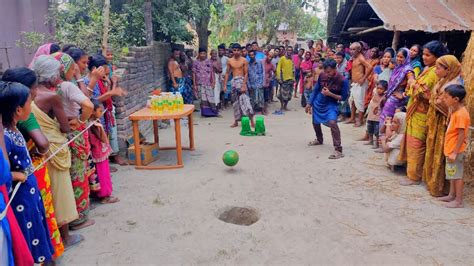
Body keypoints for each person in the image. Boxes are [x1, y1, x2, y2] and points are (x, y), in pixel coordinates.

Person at [2, 67, 65, 259]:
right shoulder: (5, 136)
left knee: (38, 226)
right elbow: (4, 169)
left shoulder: (13, 129)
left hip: (30, 192)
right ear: (19, 109)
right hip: (20, 197)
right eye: (30, 101)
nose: (33, 102)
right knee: (30, 232)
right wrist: (15, 175)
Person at [30, 55, 84, 249]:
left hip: (38, 150)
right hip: (55, 148)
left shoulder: (30, 94)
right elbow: (65, 127)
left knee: (48, 194)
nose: (59, 78)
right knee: (61, 193)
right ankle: (65, 237)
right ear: (51, 76)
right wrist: (72, 121)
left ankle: (53, 237)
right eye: (57, 74)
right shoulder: (52, 96)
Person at [53, 52, 95, 231]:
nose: (76, 69)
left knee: (69, 174)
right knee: (78, 172)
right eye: (73, 66)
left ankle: (71, 212)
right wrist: (82, 120)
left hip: (59, 131)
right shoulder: (67, 87)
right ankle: (79, 217)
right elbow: (88, 105)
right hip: (74, 131)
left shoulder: (50, 88)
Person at [399, 40, 447, 186]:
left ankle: (414, 176)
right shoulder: (428, 69)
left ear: (437, 56)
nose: (424, 57)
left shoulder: (434, 72)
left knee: (417, 144)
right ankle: (411, 171)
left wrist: (412, 80)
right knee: (412, 141)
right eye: (424, 54)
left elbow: (422, 91)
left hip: (422, 113)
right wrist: (412, 83)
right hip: (415, 111)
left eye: (428, 55)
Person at [423, 55, 463, 197]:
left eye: (439, 68)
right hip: (436, 123)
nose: (436, 71)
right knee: (433, 151)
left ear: (448, 69)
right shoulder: (442, 81)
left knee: (441, 155)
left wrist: (434, 99)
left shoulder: (454, 86)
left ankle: (441, 187)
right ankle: (432, 182)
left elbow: (448, 107)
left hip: (444, 126)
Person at [84, 54, 128, 168]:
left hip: (102, 114)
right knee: (97, 141)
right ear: (95, 69)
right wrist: (111, 93)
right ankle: (102, 166)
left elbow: (104, 95)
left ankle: (105, 163)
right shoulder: (87, 82)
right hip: (95, 117)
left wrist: (109, 84)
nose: (106, 71)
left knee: (104, 138)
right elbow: (92, 101)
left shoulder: (100, 80)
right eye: (103, 68)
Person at [305, 59, 349, 159]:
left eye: (329, 72)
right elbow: (316, 90)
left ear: (335, 69)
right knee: (315, 122)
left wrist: (330, 94)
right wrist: (309, 103)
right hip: (318, 102)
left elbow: (344, 98)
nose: (327, 74)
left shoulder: (343, 80)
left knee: (333, 122)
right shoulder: (322, 75)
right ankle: (319, 139)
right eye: (325, 72)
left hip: (331, 104)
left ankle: (338, 149)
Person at [437, 85, 470, 208]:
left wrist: (455, 152)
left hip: (456, 150)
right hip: (451, 149)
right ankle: (451, 195)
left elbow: (461, 135)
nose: (444, 100)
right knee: (452, 173)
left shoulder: (461, 114)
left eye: (446, 97)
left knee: (457, 175)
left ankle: (458, 200)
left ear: (455, 99)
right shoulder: (456, 111)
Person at [89, 100, 119, 204]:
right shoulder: (94, 125)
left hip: (98, 152)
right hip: (98, 152)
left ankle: (98, 193)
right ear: (92, 111)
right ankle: (105, 195)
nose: (101, 113)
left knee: (98, 173)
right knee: (102, 173)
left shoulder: (92, 122)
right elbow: (103, 139)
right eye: (100, 111)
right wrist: (101, 128)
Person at [379, 48, 414, 134]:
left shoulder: (408, 70)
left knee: (388, 117)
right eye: (397, 56)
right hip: (391, 95)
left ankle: (385, 138)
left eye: (401, 57)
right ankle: (383, 138)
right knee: (387, 117)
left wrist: (404, 94)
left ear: (406, 58)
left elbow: (412, 82)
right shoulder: (398, 67)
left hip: (397, 99)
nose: (398, 59)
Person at [224, 44, 254, 128]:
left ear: (240, 51)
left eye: (238, 50)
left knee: (246, 101)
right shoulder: (230, 61)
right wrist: (225, 85)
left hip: (241, 82)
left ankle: (251, 121)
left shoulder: (244, 60)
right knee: (235, 103)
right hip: (234, 82)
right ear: (232, 51)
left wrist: (244, 85)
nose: (236, 52)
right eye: (234, 50)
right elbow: (227, 73)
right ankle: (236, 121)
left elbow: (246, 73)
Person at [347, 42, 373, 127]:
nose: (351, 51)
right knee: (353, 101)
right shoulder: (353, 58)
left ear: (359, 50)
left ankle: (360, 120)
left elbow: (370, 67)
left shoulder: (361, 58)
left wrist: (364, 78)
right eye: (351, 49)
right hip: (355, 83)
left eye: (354, 49)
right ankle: (352, 118)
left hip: (360, 84)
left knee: (360, 102)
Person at [192, 47, 218, 117]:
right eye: (201, 53)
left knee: (210, 98)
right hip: (199, 83)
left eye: (204, 53)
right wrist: (194, 84)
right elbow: (194, 74)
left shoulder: (209, 62)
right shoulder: (195, 62)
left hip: (208, 83)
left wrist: (213, 82)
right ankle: (205, 113)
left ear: (206, 54)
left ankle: (213, 112)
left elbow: (212, 72)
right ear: (199, 54)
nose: (202, 55)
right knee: (202, 99)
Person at [366, 80, 387, 148]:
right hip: (371, 114)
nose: (379, 90)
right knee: (369, 127)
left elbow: (383, 106)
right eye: (378, 88)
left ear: (385, 89)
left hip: (378, 115)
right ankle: (370, 140)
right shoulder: (374, 92)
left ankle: (377, 143)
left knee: (377, 130)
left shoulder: (384, 97)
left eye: (381, 89)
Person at [276, 46, 295, 112]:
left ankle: (285, 106)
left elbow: (293, 69)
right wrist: (279, 78)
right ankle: (281, 106)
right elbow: (278, 68)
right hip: (283, 79)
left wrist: (293, 78)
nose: (290, 51)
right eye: (288, 50)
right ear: (286, 51)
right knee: (281, 94)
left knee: (289, 94)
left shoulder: (291, 59)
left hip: (291, 79)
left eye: (291, 50)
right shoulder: (282, 58)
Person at [218, 44, 229, 108]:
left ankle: (223, 104)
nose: (220, 52)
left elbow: (230, 68)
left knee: (223, 91)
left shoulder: (226, 59)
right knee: (218, 91)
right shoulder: (215, 58)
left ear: (224, 51)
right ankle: (218, 104)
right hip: (217, 77)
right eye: (219, 50)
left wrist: (227, 74)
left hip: (224, 77)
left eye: (222, 50)